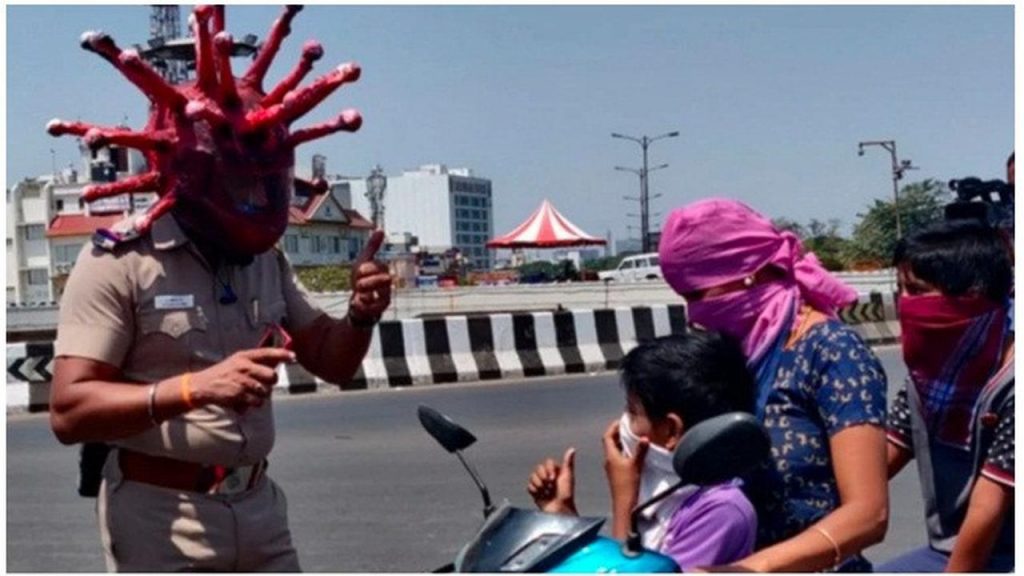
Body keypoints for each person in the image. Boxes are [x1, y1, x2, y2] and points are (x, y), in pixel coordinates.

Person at [46, 6, 391, 570]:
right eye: (239, 180)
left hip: (259, 507)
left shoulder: (264, 260)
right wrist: (191, 389)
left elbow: (332, 362)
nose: (257, 198)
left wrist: (361, 313)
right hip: (164, 518)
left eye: (268, 181)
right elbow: (69, 411)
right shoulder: (119, 261)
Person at [657, 198, 889, 572]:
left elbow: (869, 514)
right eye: (684, 298)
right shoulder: (736, 351)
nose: (693, 311)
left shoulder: (833, 353)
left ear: (747, 272)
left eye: (699, 294)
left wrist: (752, 569)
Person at [526, 332, 758, 570]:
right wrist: (563, 513)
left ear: (670, 430)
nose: (620, 424)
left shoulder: (721, 512)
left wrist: (624, 499)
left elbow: (623, 570)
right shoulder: (661, 497)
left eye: (633, 412)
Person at [878, 220, 1014, 572]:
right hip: (945, 551)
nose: (904, 304)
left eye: (917, 290)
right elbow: (884, 456)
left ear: (970, 295)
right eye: (900, 290)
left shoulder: (1012, 385)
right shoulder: (926, 377)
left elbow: (988, 509)